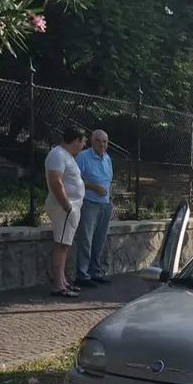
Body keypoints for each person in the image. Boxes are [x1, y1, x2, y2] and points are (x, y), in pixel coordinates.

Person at [44, 127, 87, 298]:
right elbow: (56, 181)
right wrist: (67, 206)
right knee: (62, 244)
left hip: (70, 207)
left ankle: (63, 280)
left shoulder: (66, 156)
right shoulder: (57, 154)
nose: (84, 145)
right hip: (64, 207)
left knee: (65, 244)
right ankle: (59, 285)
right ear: (76, 140)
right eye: (83, 141)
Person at [73, 129, 113, 288]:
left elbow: (109, 180)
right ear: (92, 141)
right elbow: (74, 180)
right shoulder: (83, 157)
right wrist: (93, 187)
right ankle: (82, 275)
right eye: (99, 141)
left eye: (105, 141)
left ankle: (95, 272)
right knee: (86, 239)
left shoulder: (107, 158)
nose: (102, 144)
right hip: (89, 203)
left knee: (99, 239)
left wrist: (110, 199)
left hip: (105, 203)